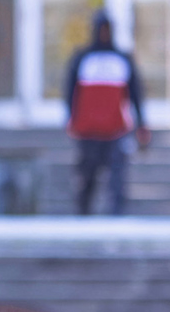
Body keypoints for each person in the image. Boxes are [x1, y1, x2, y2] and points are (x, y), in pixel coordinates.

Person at [61, 11, 150, 214]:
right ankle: (83, 218)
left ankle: (116, 218)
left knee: (117, 180)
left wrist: (141, 123)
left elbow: (135, 93)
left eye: (107, 29)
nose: (103, 34)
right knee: (86, 179)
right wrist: (70, 118)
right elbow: (70, 91)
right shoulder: (82, 58)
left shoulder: (122, 59)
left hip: (115, 129)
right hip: (87, 130)